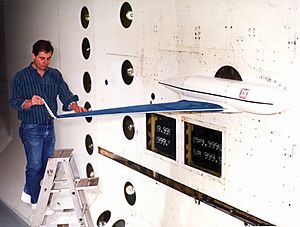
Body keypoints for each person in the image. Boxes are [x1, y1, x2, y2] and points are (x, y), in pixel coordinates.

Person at [9, 40, 86, 209]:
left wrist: (74, 106)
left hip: (49, 126)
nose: (45, 62)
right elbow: (14, 102)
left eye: (49, 58)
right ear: (33, 56)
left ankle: (28, 191)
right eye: (42, 58)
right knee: (35, 165)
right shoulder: (20, 77)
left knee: (44, 165)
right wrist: (29, 102)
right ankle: (37, 202)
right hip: (31, 128)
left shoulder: (55, 75)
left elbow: (65, 94)